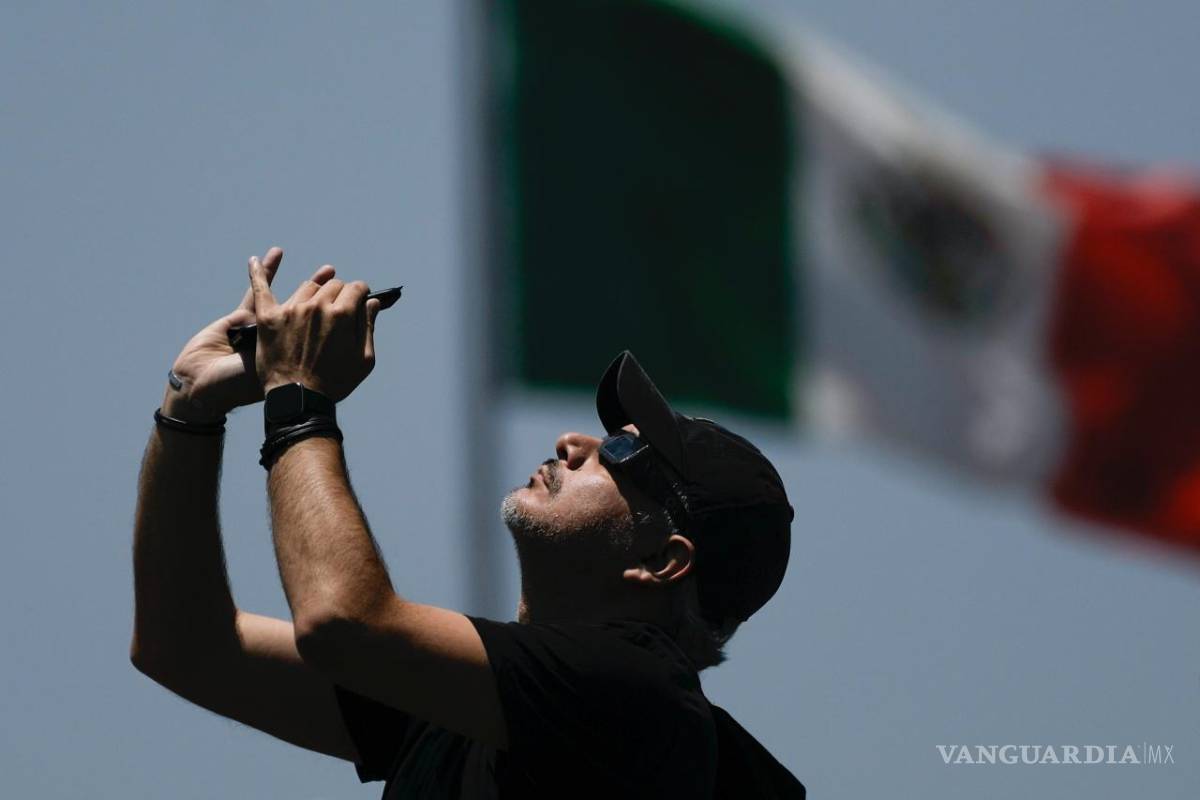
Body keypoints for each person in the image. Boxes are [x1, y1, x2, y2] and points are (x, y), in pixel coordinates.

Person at [131, 248, 805, 798]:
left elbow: (341, 623)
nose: (574, 442)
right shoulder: (468, 706)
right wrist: (188, 407)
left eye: (626, 454)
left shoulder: (636, 696)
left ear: (663, 561)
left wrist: (299, 395)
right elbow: (186, 648)